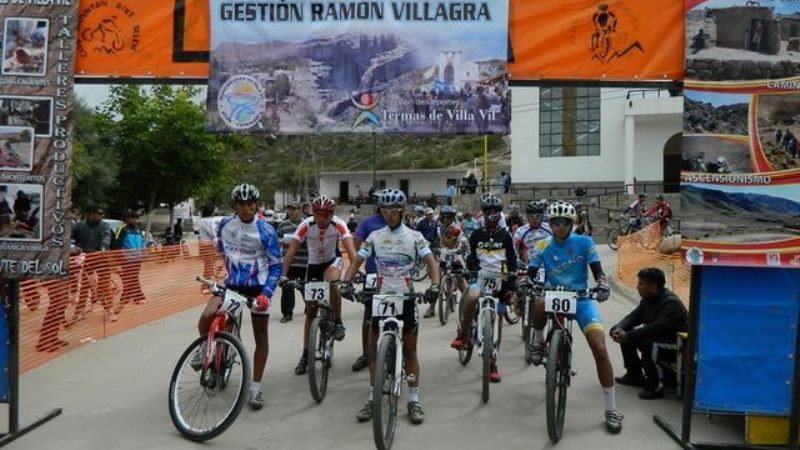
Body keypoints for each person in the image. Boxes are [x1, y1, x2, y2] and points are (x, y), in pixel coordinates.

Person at [340, 188, 441, 425]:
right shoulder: (375, 236)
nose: (388, 215)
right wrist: (346, 282)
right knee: (373, 349)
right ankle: (372, 397)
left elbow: (431, 262)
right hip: (382, 297)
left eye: (393, 211)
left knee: (411, 351)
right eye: (384, 211)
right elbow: (357, 260)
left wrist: (435, 285)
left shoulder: (415, 236)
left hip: (407, 297)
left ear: (402, 211)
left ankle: (414, 399)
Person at [527, 201, 623, 433]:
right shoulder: (542, 244)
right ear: (550, 224)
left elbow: (598, 271)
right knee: (537, 302)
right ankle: (538, 342)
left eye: (565, 222)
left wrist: (602, 284)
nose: (560, 226)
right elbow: (531, 273)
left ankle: (611, 408)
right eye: (556, 222)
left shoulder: (585, 242)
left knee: (599, 347)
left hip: (581, 298)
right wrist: (525, 282)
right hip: (552, 294)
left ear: (572, 224)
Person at [193, 184, 282, 410]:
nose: (246, 208)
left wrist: (266, 294)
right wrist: (222, 265)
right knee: (207, 315)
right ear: (235, 206)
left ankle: (256, 388)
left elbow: (276, 265)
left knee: (260, 336)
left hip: (258, 288)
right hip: (232, 284)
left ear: (256, 205)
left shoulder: (266, 231)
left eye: (250, 203)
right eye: (242, 204)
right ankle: (205, 348)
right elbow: (216, 244)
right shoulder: (224, 224)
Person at [280, 195, 356, 376]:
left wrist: (350, 278)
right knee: (311, 313)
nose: (322, 219)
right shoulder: (306, 224)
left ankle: (338, 321)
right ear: (313, 213)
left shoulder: (339, 224)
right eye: (318, 214)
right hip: (313, 265)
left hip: (332, 261)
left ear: (332, 214)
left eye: (326, 215)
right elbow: (292, 249)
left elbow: (351, 251)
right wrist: (283, 274)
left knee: (333, 282)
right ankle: (306, 355)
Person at [450, 193, 517, 382]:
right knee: (471, 297)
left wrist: (511, 284)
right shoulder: (476, 234)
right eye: (488, 211)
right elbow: (471, 257)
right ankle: (464, 333)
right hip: (480, 277)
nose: (491, 214)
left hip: (500, 280)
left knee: (499, 319)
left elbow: (512, 260)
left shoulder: (506, 236)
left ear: (500, 213)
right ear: (483, 213)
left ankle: (493, 362)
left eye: (495, 211)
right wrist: (467, 268)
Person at [611, 268, 688, 400]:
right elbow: (634, 317)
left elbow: (655, 328)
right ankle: (634, 374)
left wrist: (628, 335)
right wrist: (618, 328)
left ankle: (656, 386)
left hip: (678, 344)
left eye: (641, 284)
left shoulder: (671, 303)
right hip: (660, 339)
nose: (637, 287)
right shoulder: (647, 299)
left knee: (649, 344)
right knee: (627, 336)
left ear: (653, 287)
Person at [350, 190, 387, 372]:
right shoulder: (367, 223)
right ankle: (366, 354)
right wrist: (354, 268)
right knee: (369, 316)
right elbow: (355, 245)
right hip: (372, 274)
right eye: (385, 206)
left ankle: (397, 350)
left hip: (395, 276)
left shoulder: (401, 223)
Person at [71, 206, 115, 322]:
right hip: (87, 260)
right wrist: (73, 247)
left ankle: (109, 310)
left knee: (105, 287)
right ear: (90, 214)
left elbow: (106, 238)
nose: (101, 216)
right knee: (84, 287)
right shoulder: (79, 225)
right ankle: (79, 312)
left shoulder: (104, 225)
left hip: (102, 260)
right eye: (99, 213)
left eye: (102, 213)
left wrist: (103, 249)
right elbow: (67, 236)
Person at [424, 204, 467, 319]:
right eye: (444, 217)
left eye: (449, 217)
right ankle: (431, 308)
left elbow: (455, 242)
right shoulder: (438, 227)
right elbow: (430, 238)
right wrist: (426, 245)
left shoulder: (457, 228)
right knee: (436, 281)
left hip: (456, 256)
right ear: (441, 217)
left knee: (461, 281)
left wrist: (463, 246)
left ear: (453, 217)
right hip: (444, 256)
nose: (446, 219)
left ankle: (470, 304)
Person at [276, 201, 307, 323]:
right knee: (287, 287)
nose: (292, 212)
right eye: (289, 209)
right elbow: (277, 239)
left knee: (306, 287)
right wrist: (281, 241)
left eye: (294, 209)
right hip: (289, 263)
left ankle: (310, 306)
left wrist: (299, 241)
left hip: (304, 261)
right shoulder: (282, 225)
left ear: (300, 210)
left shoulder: (306, 224)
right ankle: (287, 313)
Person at [111, 210, 146, 306]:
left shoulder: (138, 230)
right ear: (126, 219)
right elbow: (116, 245)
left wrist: (143, 253)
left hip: (138, 259)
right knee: (131, 278)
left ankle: (126, 298)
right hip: (126, 259)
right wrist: (120, 257)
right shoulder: (122, 229)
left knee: (132, 278)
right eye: (133, 218)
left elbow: (142, 242)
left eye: (136, 218)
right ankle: (138, 297)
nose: (135, 220)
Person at [514, 200, 553, 267]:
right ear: (527, 216)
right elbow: (514, 250)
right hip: (528, 266)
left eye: (538, 216)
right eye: (531, 216)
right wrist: (517, 261)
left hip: (547, 266)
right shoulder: (520, 231)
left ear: (542, 216)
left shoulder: (550, 228)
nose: (534, 219)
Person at [197, 204, 217, 282]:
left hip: (208, 246)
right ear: (210, 211)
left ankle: (208, 282)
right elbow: (213, 233)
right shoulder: (205, 221)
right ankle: (205, 284)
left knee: (209, 265)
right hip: (207, 246)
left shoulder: (206, 220)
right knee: (208, 265)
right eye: (214, 210)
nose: (215, 212)